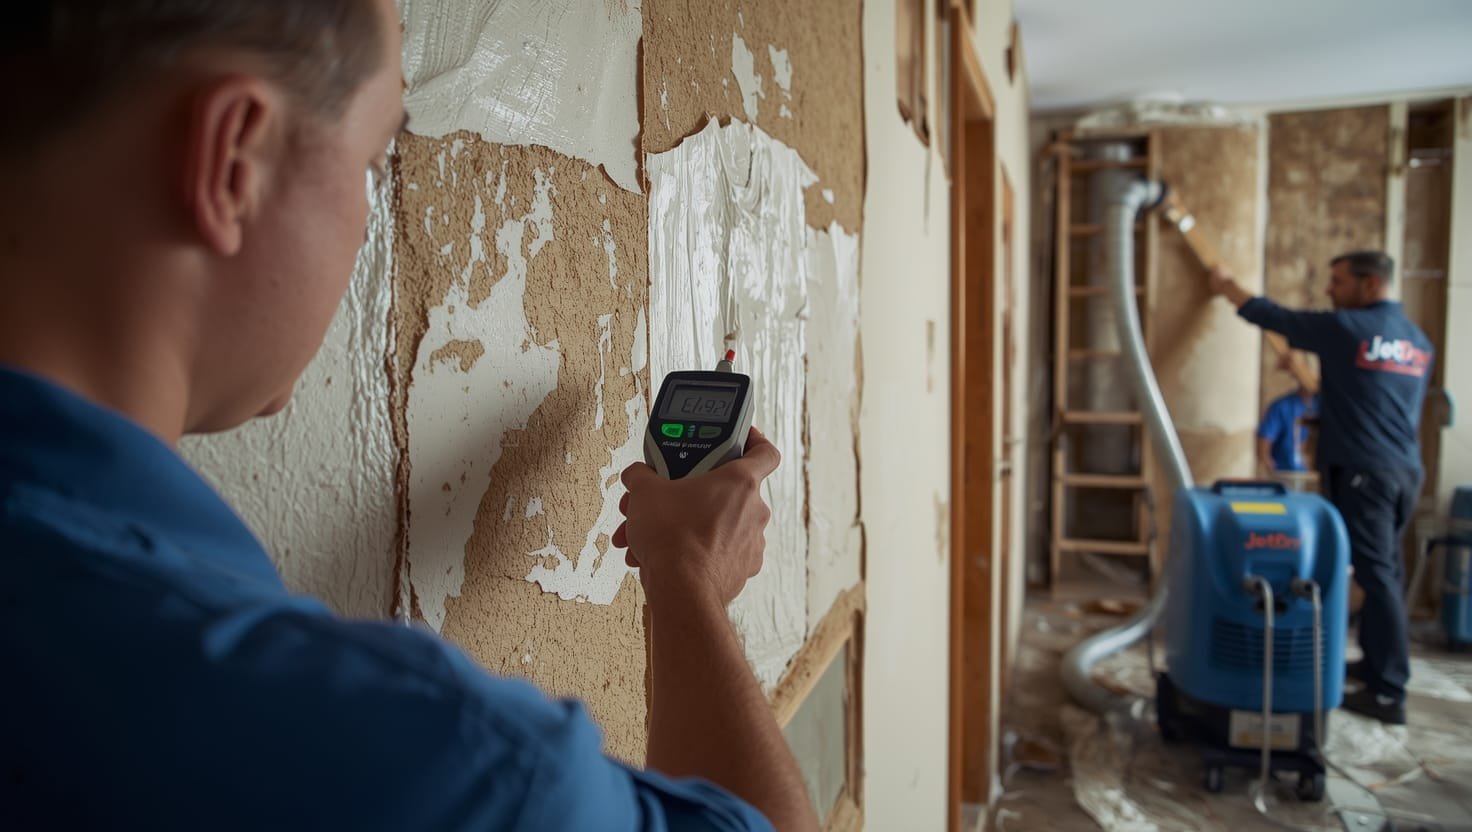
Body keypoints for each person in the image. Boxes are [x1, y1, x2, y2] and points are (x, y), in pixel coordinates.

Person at [0, 3, 816, 830]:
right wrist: (688, 580)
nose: (363, 218)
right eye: (372, 161)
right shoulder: (451, 762)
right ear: (233, 161)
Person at [1211, 251, 1434, 725]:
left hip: (1363, 471)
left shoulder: (1348, 329)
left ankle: (1390, 692)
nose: (1330, 291)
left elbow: (1274, 316)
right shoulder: (1417, 342)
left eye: (1338, 281)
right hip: (1403, 471)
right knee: (1384, 571)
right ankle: (1375, 668)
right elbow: (1377, 401)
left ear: (1370, 284)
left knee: (1377, 576)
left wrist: (1228, 287)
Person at [1256, 355, 1321, 476]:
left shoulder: (1323, 406)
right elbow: (1265, 439)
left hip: (1315, 476)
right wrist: (1270, 468)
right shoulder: (1282, 406)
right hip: (1287, 475)